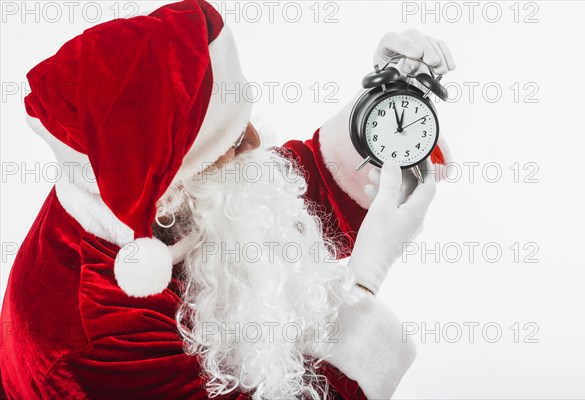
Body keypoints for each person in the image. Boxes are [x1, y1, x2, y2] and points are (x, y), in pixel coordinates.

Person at [0, 1, 455, 398]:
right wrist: (363, 283)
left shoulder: (165, 197)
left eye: (244, 120)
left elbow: (276, 201)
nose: (255, 140)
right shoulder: (93, 339)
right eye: (232, 141)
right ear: (169, 187)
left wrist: (381, 107)